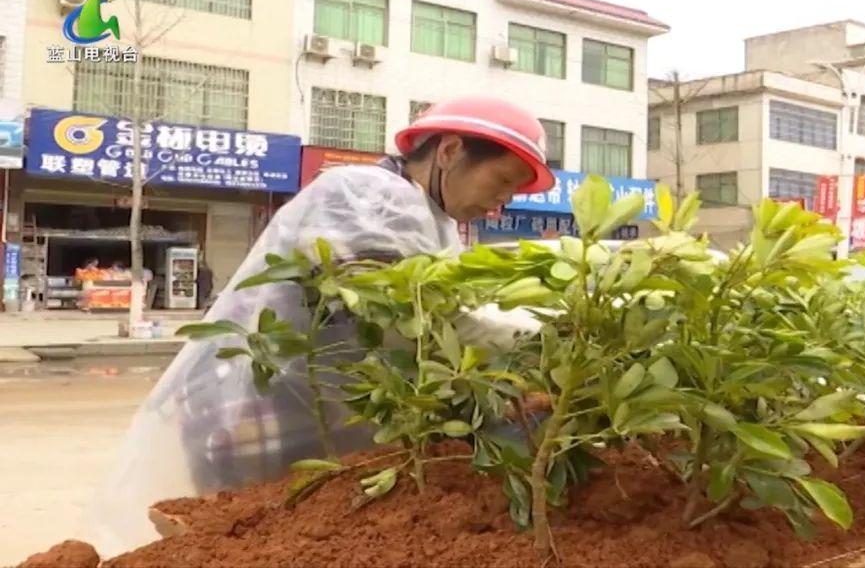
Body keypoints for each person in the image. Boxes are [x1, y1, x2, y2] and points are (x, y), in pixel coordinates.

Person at [86, 97, 555, 557]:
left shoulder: (431, 220)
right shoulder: (369, 194)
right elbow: (396, 307)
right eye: (503, 180)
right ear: (450, 152)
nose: (502, 202)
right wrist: (534, 342)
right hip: (263, 421)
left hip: (314, 428)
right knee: (256, 541)